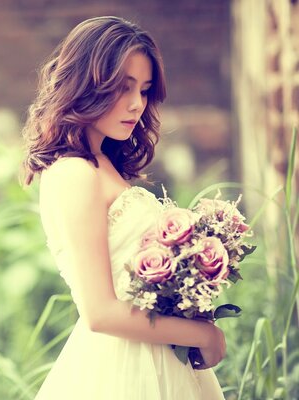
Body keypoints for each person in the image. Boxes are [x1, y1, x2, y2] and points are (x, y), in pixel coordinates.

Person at [21, 16, 227, 399]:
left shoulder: (101, 164)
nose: (136, 105)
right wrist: (204, 334)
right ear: (86, 85)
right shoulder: (74, 174)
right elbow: (99, 312)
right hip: (122, 368)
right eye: (122, 88)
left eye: (145, 91)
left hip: (153, 354)